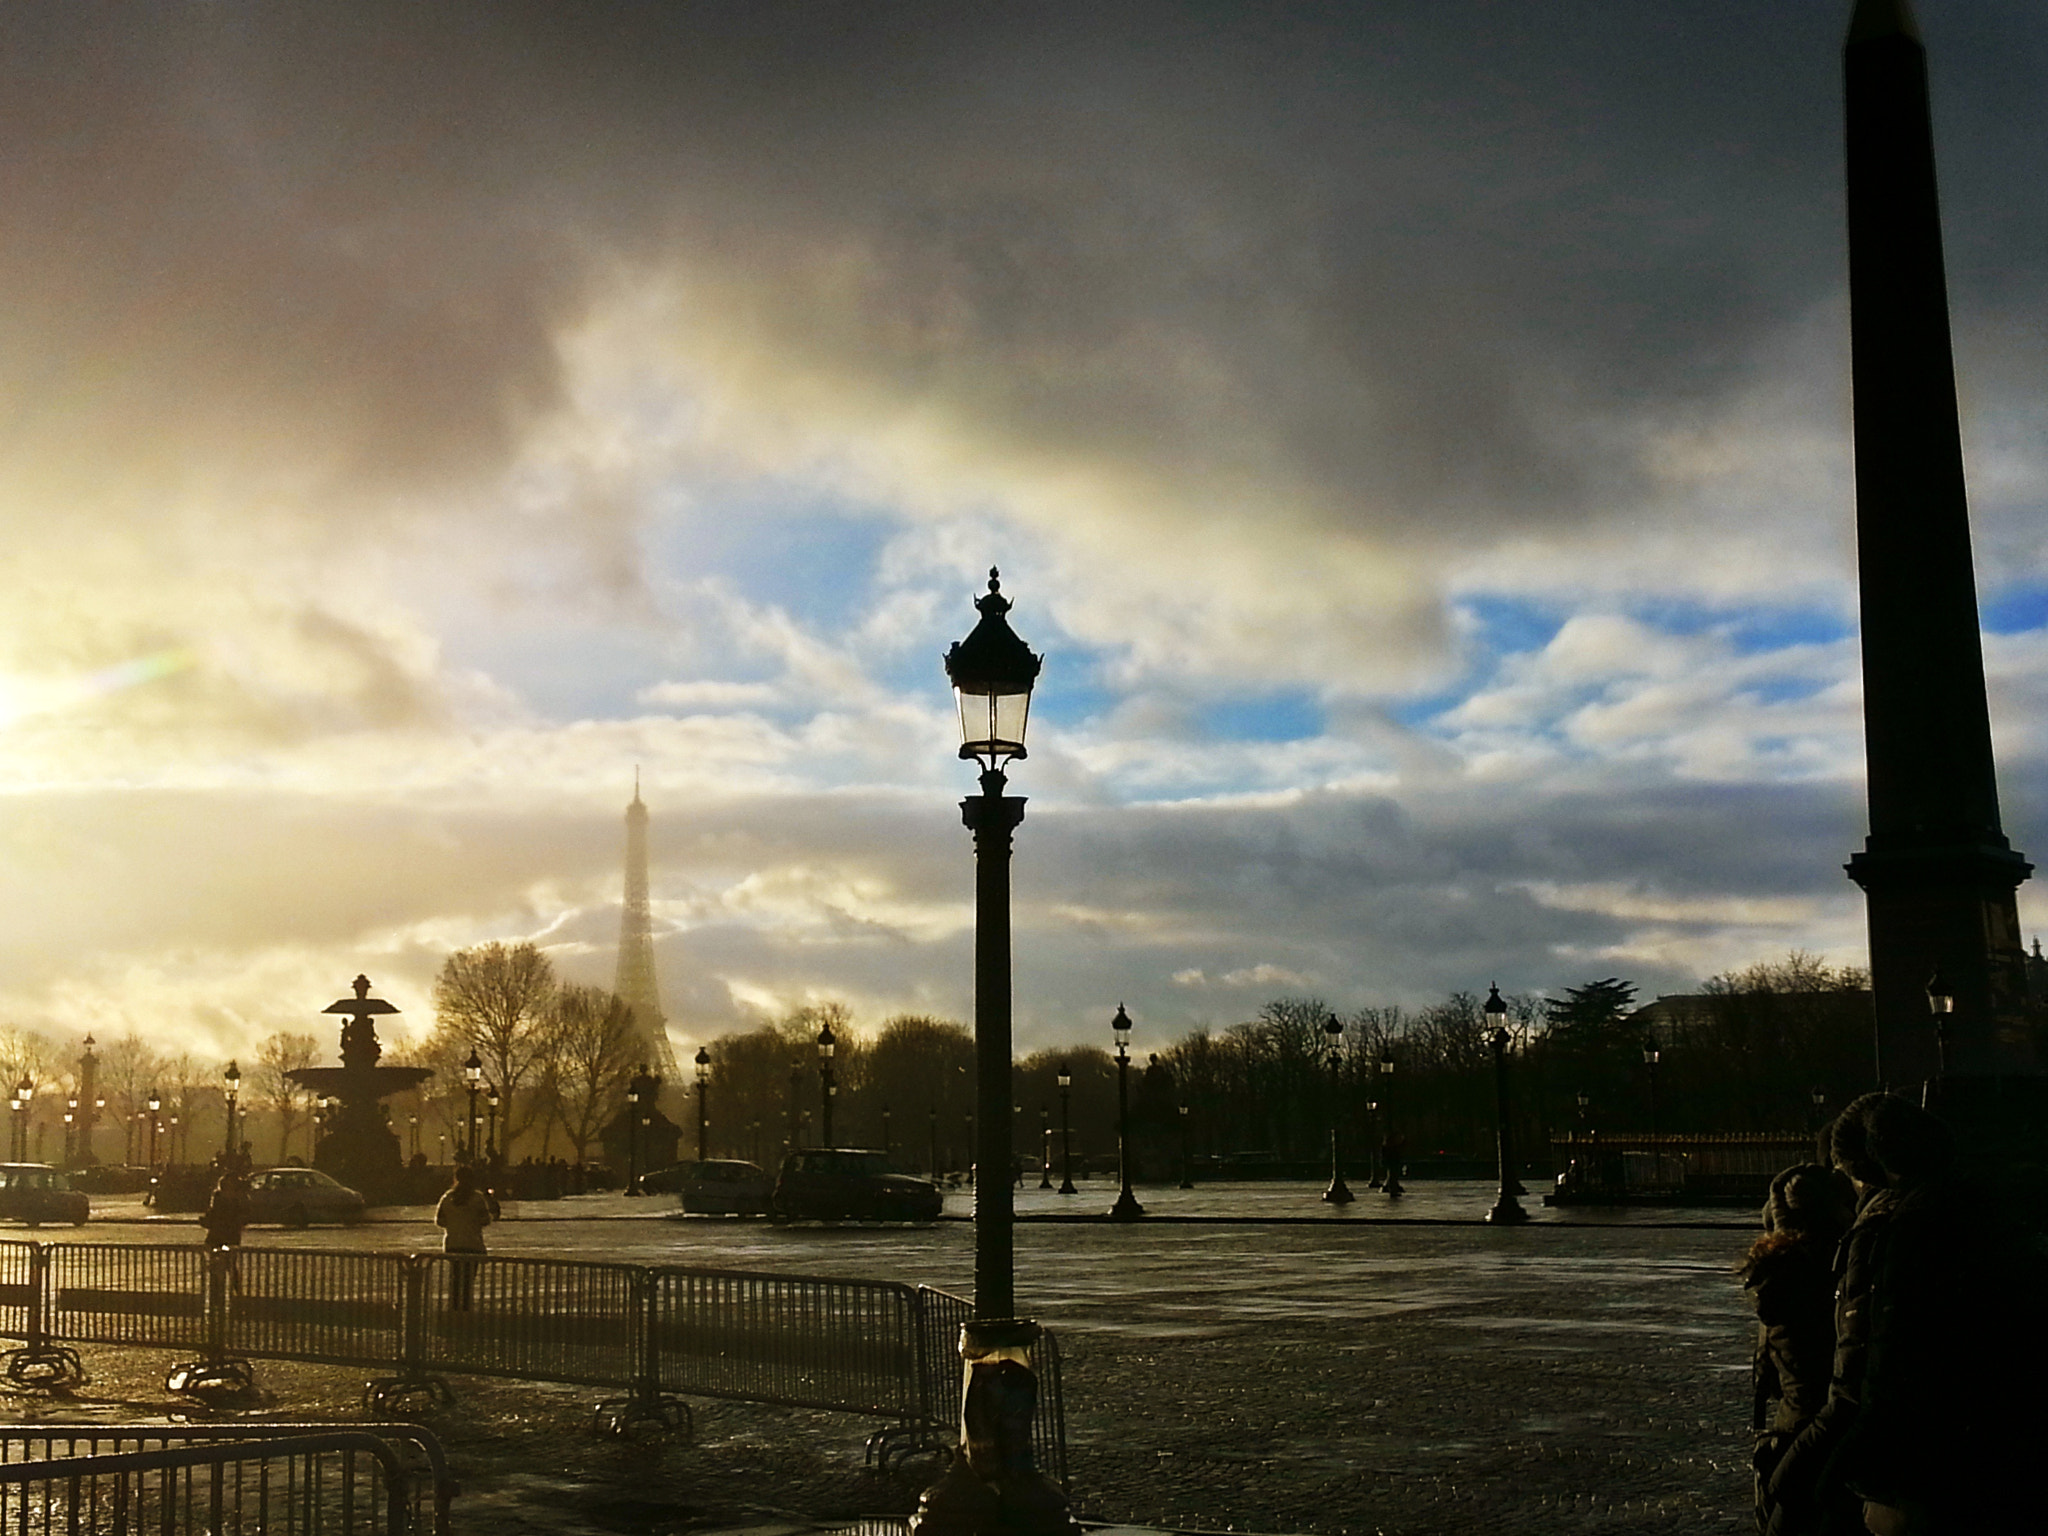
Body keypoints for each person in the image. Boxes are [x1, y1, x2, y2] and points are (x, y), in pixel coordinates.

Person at [1739, 1162, 1855, 1534]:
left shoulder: (1780, 1276)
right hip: (1833, 1437)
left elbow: (1771, 1377)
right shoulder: (1844, 1266)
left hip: (1795, 1429)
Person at [435, 1164, 497, 1312]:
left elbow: (440, 1220)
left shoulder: (448, 1197)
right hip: (472, 1243)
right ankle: (465, 1308)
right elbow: (485, 1220)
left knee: (456, 1278)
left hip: (453, 1243)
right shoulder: (477, 1199)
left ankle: (455, 1307)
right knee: (468, 1280)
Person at [201, 1169, 250, 1295]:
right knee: (227, 1267)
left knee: (224, 1267)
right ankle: (229, 1294)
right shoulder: (234, 1199)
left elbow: (212, 1217)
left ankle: (221, 1295)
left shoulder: (222, 1199)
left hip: (220, 1238)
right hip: (225, 1237)